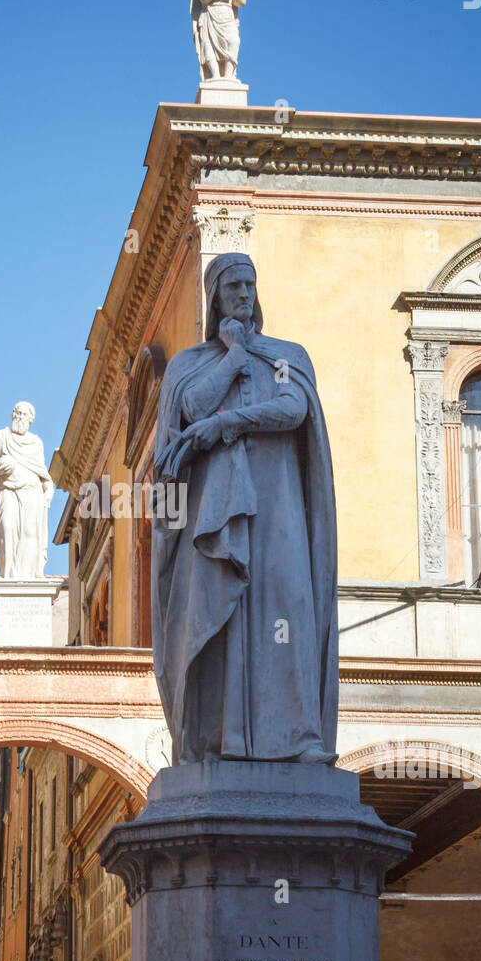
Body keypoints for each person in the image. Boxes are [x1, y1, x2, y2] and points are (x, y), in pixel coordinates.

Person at [152, 253, 338, 764]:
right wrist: (234, 356)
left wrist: (227, 423)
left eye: (251, 285)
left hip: (279, 507)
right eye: (233, 285)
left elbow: (293, 409)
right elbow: (191, 407)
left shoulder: (285, 355)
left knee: (288, 607)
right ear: (214, 296)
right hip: (212, 511)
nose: (244, 294)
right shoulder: (190, 365)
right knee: (221, 616)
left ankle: (299, 738)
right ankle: (219, 740)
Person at [0, 402, 54, 579]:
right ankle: (9, 574)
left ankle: (28, 575)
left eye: (24, 415)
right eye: (17, 413)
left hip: (32, 491)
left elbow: (41, 470)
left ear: (31, 419)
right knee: (7, 529)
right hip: (8, 490)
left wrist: (48, 486)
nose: (19, 417)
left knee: (30, 532)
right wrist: (1, 467)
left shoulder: (36, 443)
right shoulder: (1, 437)